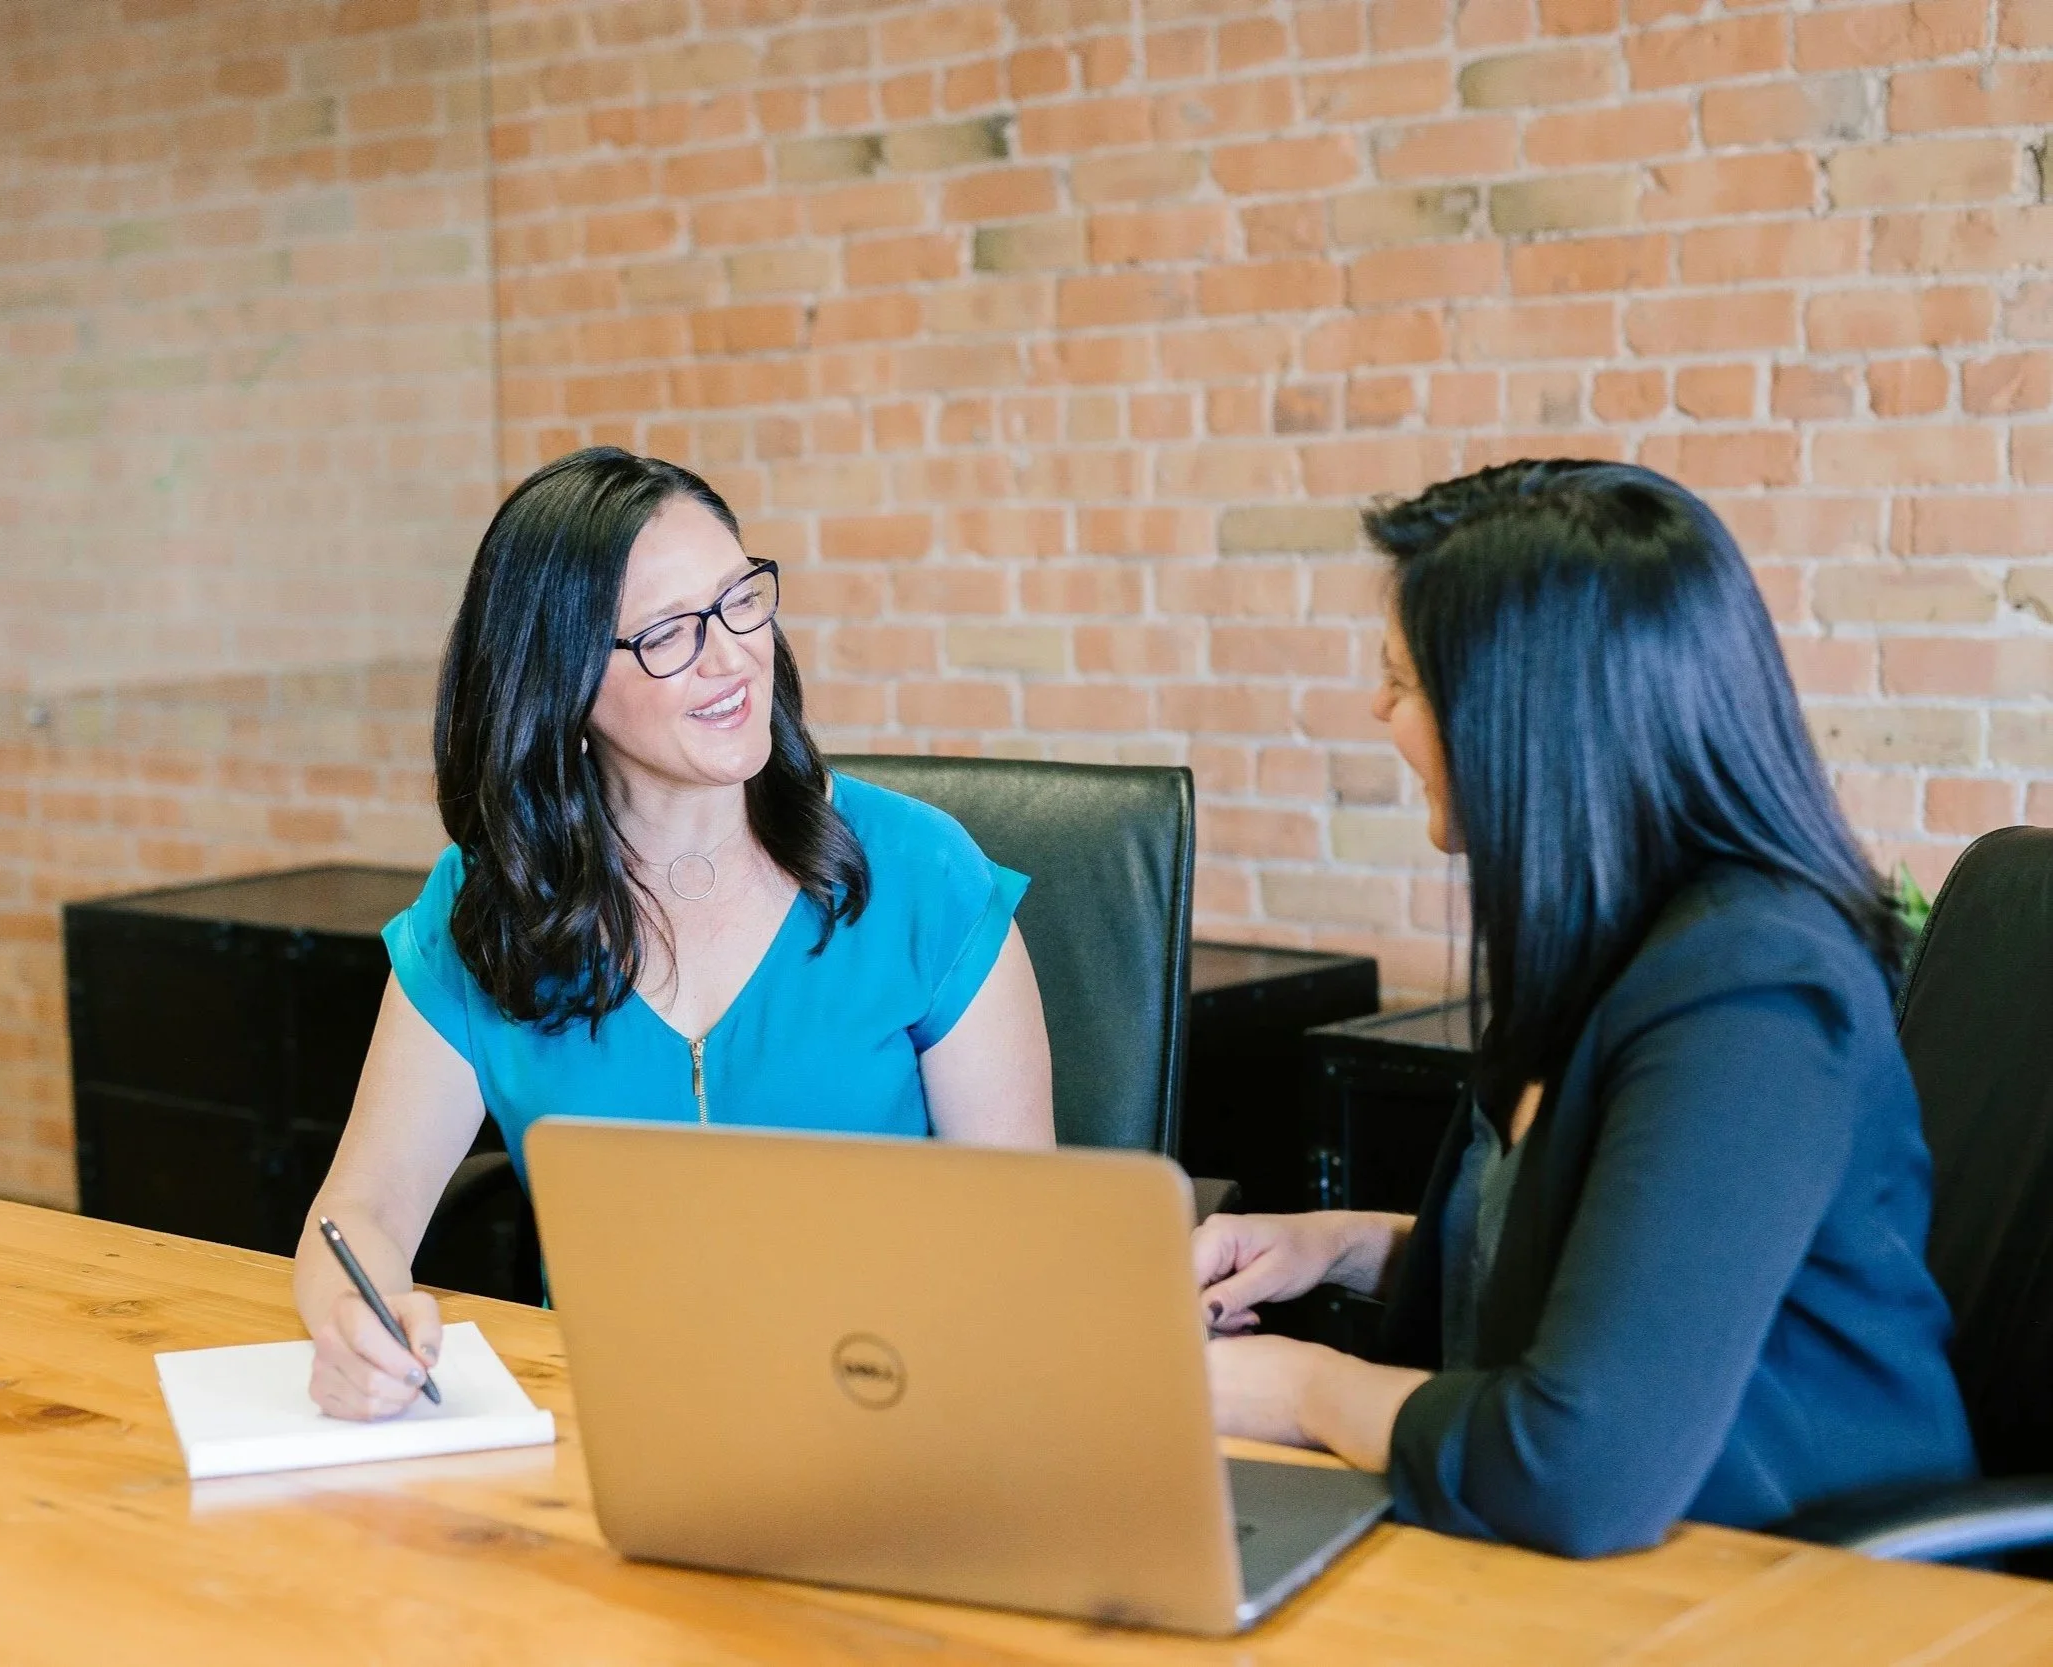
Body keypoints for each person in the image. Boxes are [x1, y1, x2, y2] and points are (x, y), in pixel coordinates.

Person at [1194, 460, 1977, 1556]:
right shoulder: (1605, 940)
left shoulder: (1750, 993)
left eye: (1401, 680)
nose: (1376, 709)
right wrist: (1336, 1243)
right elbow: (1599, 1263)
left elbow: (1575, 1466)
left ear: (1522, 719)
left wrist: (1297, 1388)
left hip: (1794, 1577)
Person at [297, 448, 1054, 1420]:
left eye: (740, 599)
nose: (732, 652)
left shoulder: (920, 875)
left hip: (891, 1414)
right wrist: (349, 1324)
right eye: (666, 633)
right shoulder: (487, 909)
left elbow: (1025, 1240)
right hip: (606, 1431)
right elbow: (356, 1211)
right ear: (562, 685)